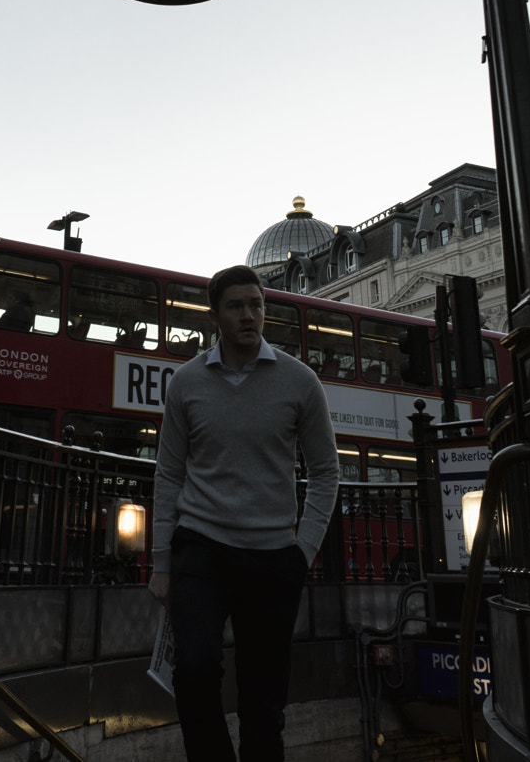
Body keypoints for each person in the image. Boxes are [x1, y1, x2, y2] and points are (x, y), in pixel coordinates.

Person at [150, 264, 339, 762]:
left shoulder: (301, 382)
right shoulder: (187, 382)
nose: (249, 315)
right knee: (192, 669)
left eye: (256, 305)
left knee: (264, 702)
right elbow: (168, 475)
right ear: (216, 317)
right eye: (236, 306)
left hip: (273, 555)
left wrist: (304, 552)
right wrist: (160, 564)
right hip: (200, 549)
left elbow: (325, 471)